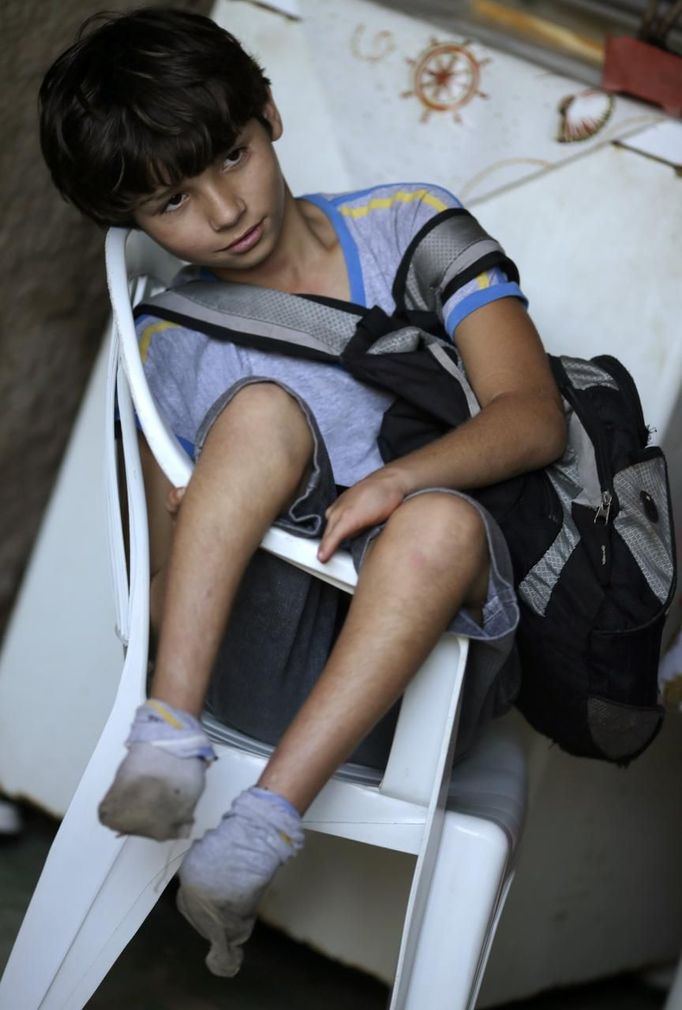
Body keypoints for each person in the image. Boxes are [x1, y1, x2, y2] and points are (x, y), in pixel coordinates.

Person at [39, 7, 566, 977]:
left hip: (410, 681)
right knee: (262, 411)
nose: (223, 210)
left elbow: (534, 415)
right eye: (171, 203)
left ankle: (256, 832)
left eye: (231, 157)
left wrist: (399, 480)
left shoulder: (411, 227)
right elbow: (167, 567)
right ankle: (165, 735)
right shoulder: (172, 338)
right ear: (133, 220)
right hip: (248, 668)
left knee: (443, 521)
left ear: (269, 114)